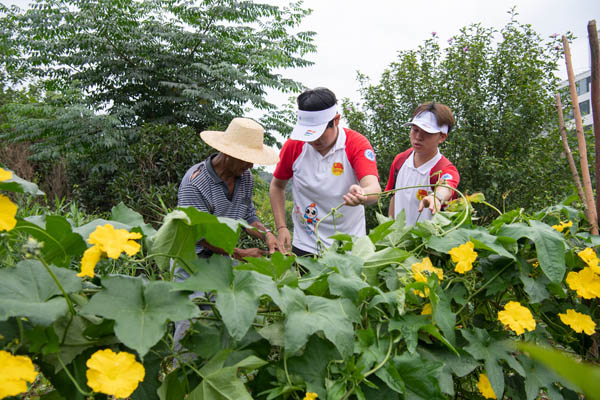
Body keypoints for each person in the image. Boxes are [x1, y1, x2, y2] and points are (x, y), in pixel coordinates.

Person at [269, 87, 381, 256]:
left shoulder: (356, 144)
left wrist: (363, 194)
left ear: (336, 120)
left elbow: (374, 188)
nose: (314, 140)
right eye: (308, 134)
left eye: (319, 133)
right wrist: (282, 227)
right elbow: (277, 186)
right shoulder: (294, 145)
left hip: (348, 246)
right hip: (305, 244)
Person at [177, 117, 282, 260]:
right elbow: (197, 233)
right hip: (191, 262)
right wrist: (239, 253)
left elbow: (248, 216)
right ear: (228, 153)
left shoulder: (245, 177)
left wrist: (267, 234)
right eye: (246, 158)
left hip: (222, 261)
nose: (250, 165)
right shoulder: (195, 183)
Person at [386, 102, 459, 225]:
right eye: (415, 130)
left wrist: (436, 197)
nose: (418, 137)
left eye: (427, 132)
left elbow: (447, 187)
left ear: (442, 137)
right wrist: (388, 231)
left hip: (426, 241)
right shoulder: (400, 160)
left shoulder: (444, 169)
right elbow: (394, 197)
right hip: (398, 240)